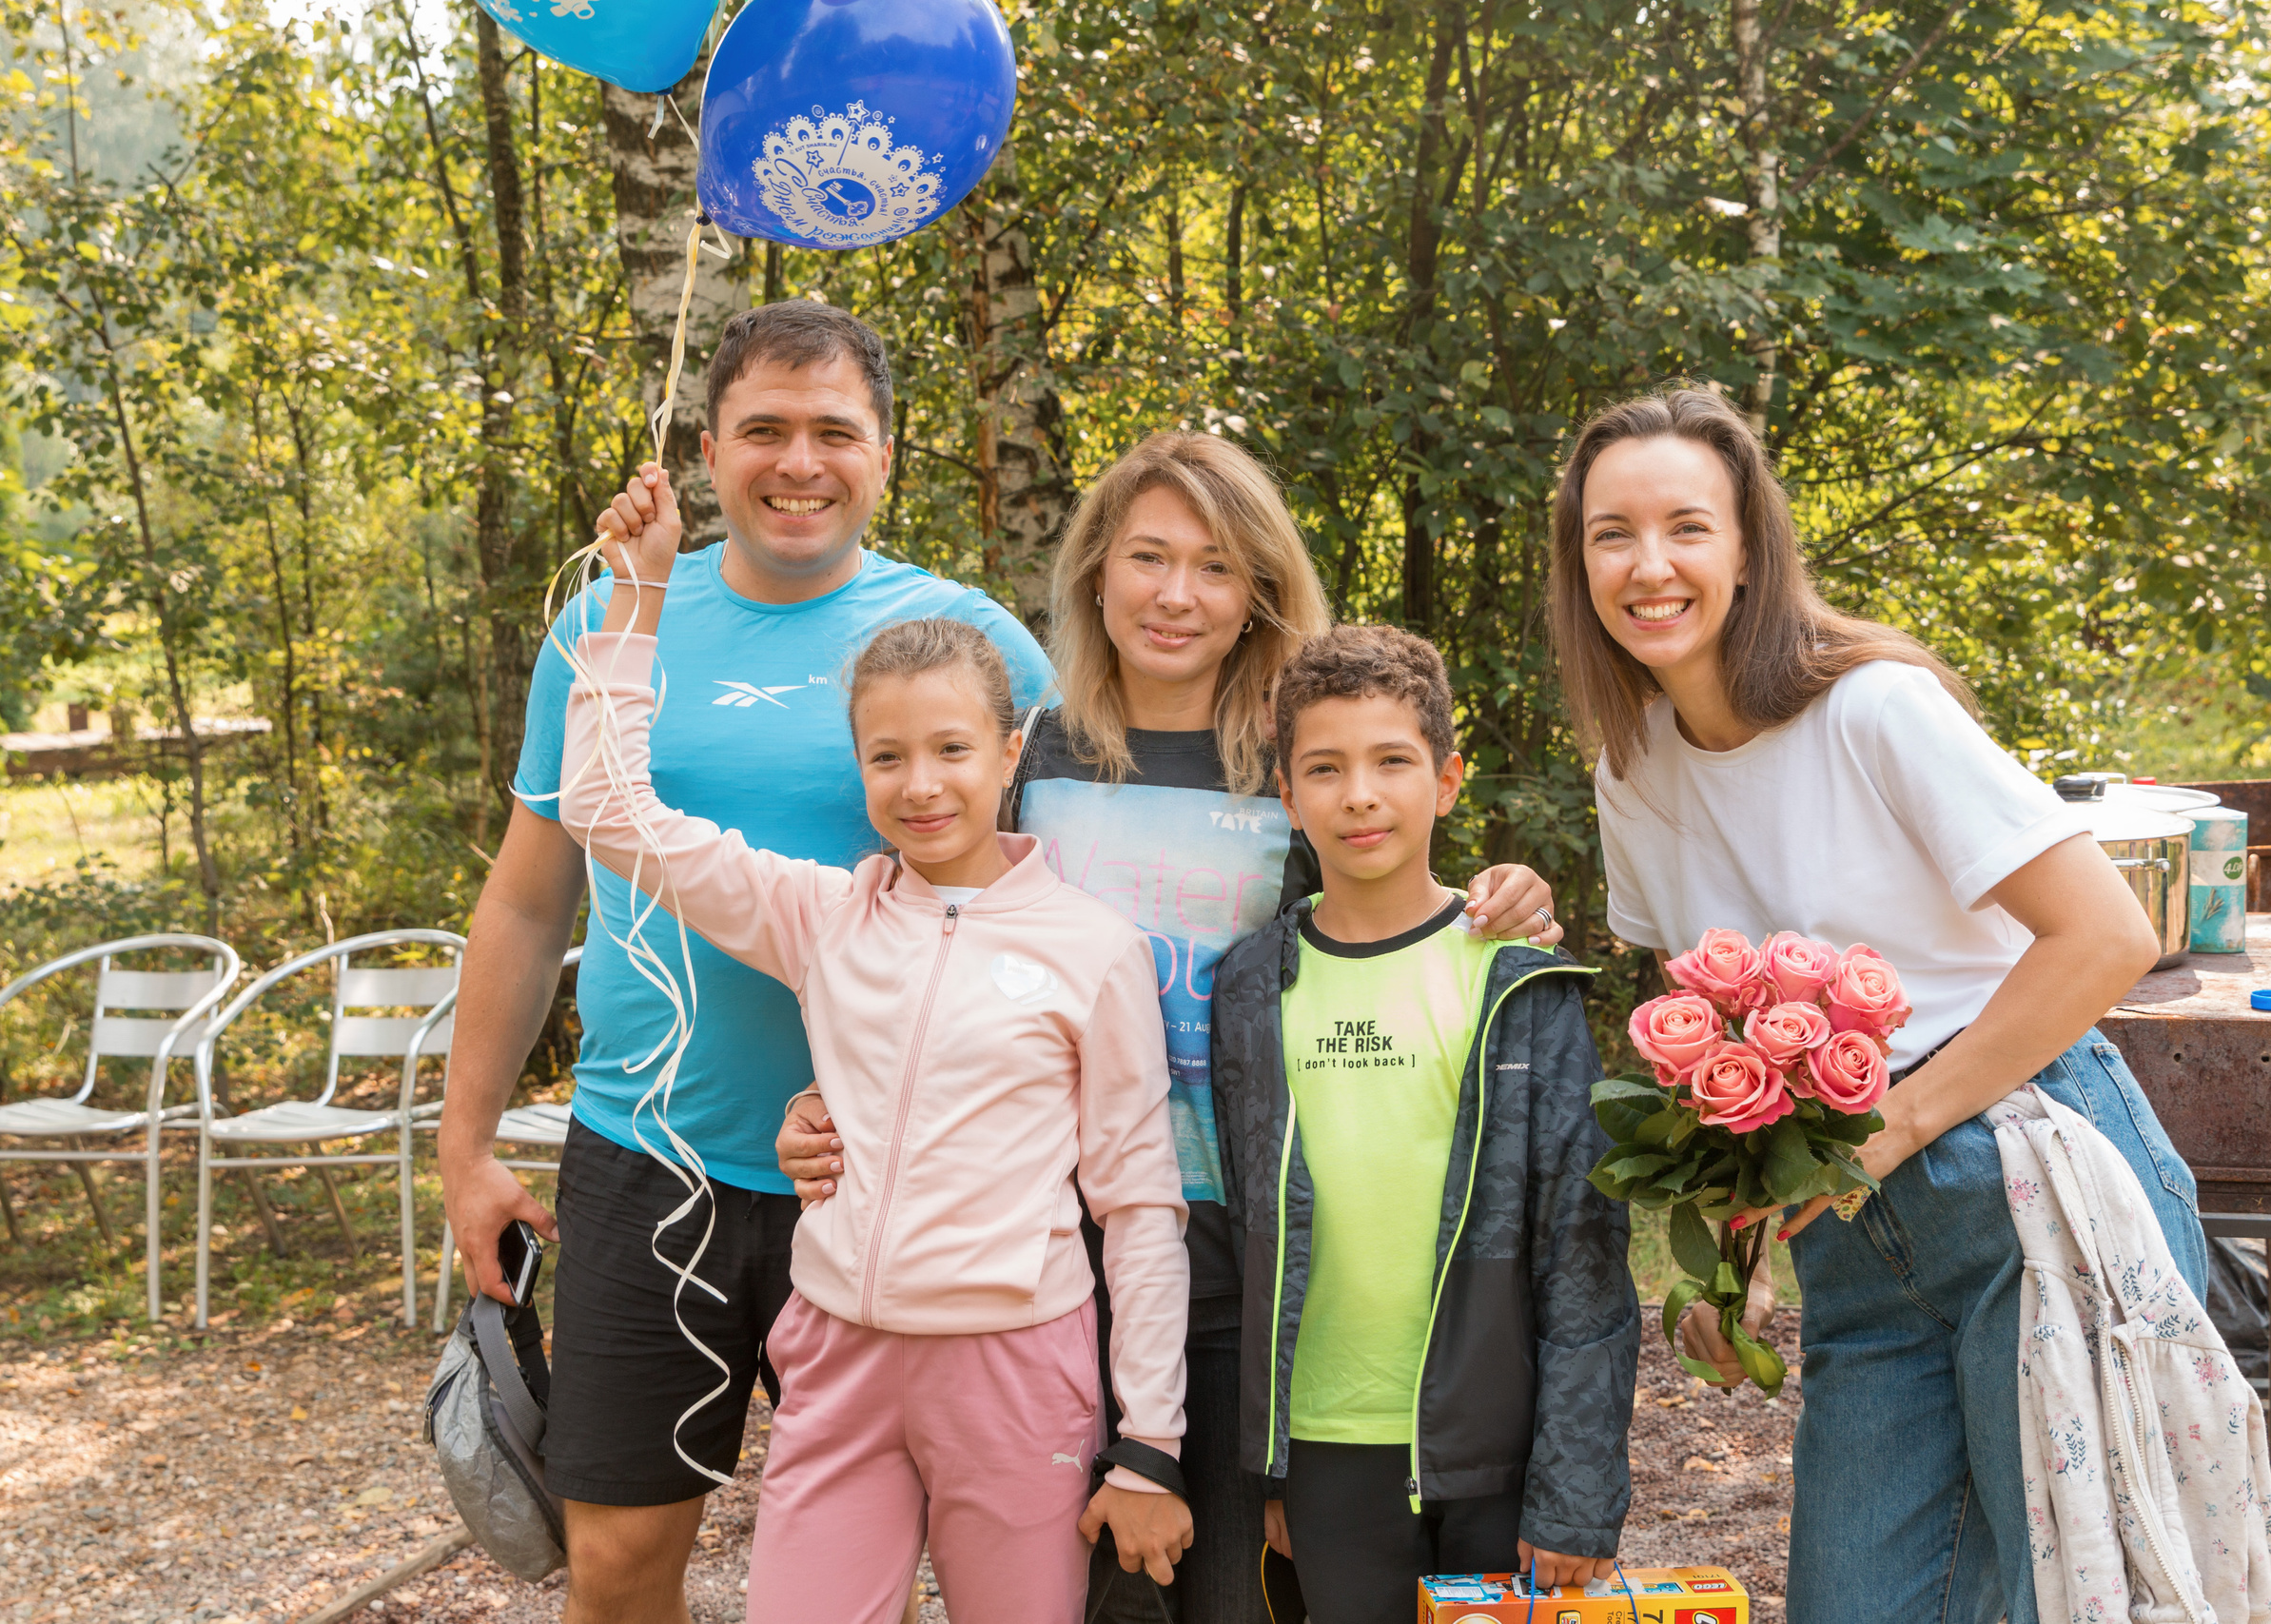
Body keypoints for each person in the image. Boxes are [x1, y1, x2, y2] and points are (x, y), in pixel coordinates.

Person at [779, 432, 1567, 1623]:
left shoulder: (1293, 762)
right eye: (1148, 557)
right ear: (1098, 571)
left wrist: (1510, 895)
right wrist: (827, 1105)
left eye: (1214, 564)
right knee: (1069, 1590)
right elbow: (902, 961)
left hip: (1243, 1243)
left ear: (1255, 592)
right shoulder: (1019, 752)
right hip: (1036, 1253)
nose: (1176, 594)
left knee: (1224, 1586)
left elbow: (1390, 923)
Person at [1544, 387, 2207, 1623]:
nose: (1648, 564)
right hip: (1857, 1245)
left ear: (1748, 548)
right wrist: (1735, 1248)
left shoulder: (1873, 707)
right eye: (1610, 533)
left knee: (2072, 1600)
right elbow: (1729, 1049)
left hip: (2029, 1184)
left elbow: (2109, 932)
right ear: (1577, 559)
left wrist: (1893, 1125)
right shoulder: (1632, 764)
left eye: (1686, 525)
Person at [436, 302, 1054, 1624]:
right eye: (763, 429)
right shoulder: (607, 623)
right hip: (651, 1155)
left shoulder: (974, 642)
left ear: (887, 453)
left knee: (902, 1565)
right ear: (707, 449)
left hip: (903, 1166)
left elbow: (1060, 905)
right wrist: (466, 1143)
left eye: (836, 431)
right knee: (613, 1563)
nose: (799, 462)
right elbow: (528, 904)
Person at [560, 517, 1193, 1621]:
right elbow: (607, 811)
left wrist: (1151, 1440)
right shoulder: (822, 915)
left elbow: (1140, 1207)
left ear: (1010, 750)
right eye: (886, 756)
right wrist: (638, 599)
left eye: (951, 749)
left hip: (1016, 1370)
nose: (920, 785)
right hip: (838, 1361)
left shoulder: (1094, 949)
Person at [1208, 624, 1638, 1624]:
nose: (1359, 794)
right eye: (1325, 767)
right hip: (1322, 1444)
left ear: (1445, 781)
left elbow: (1583, 1252)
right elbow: (1242, 1230)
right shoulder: (1250, 986)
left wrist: (1573, 1493)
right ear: (1286, 796)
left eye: (1391, 762)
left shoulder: (1519, 982)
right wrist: (1272, 1464)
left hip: (1498, 1444)